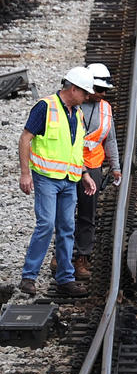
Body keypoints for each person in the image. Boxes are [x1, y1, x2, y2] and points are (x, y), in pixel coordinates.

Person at [18, 67, 97, 297]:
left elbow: (74, 148)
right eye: (85, 93)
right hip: (47, 179)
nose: (87, 97)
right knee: (46, 225)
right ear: (73, 89)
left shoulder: (78, 113)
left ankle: (65, 279)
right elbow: (25, 139)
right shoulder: (46, 106)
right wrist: (25, 174)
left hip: (69, 180)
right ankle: (29, 277)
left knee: (67, 229)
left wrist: (84, 173)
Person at [70, 63, 121, 280]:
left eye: (104, 91)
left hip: (93, 165)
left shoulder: (105, 108)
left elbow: (110, 139)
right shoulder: (73, 106)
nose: (102, 94)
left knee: (87, 214)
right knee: (63, 213)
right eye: (99, 90)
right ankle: (61, 256)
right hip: (70, 164)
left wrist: (116, 167)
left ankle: (82, 257)